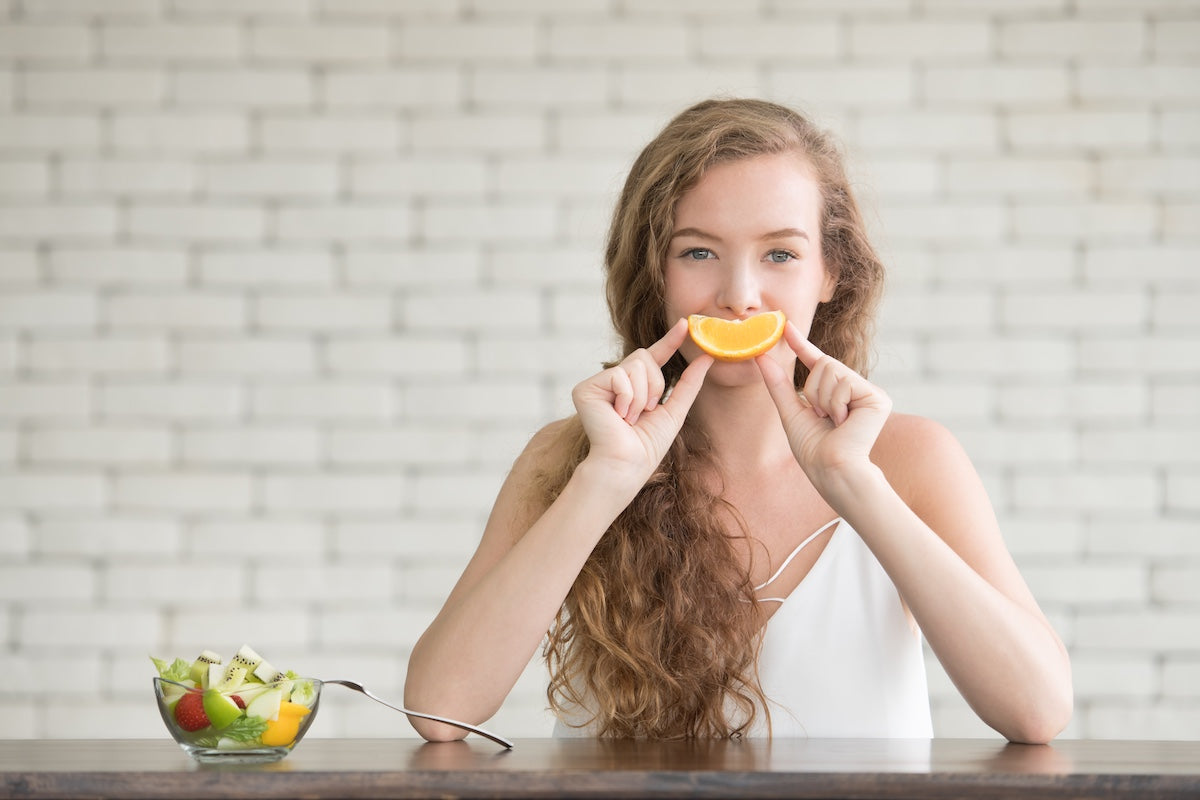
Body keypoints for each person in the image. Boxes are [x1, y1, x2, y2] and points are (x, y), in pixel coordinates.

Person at [403, 98, 1072, 743]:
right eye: (698, 253)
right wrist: (605, 480)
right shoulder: (569, 457)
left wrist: (852, 482)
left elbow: (1037, 712)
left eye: (780, 254)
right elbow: (440, 710)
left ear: (830, 273)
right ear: (654, 272)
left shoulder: (910, 460)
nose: (738, 296)